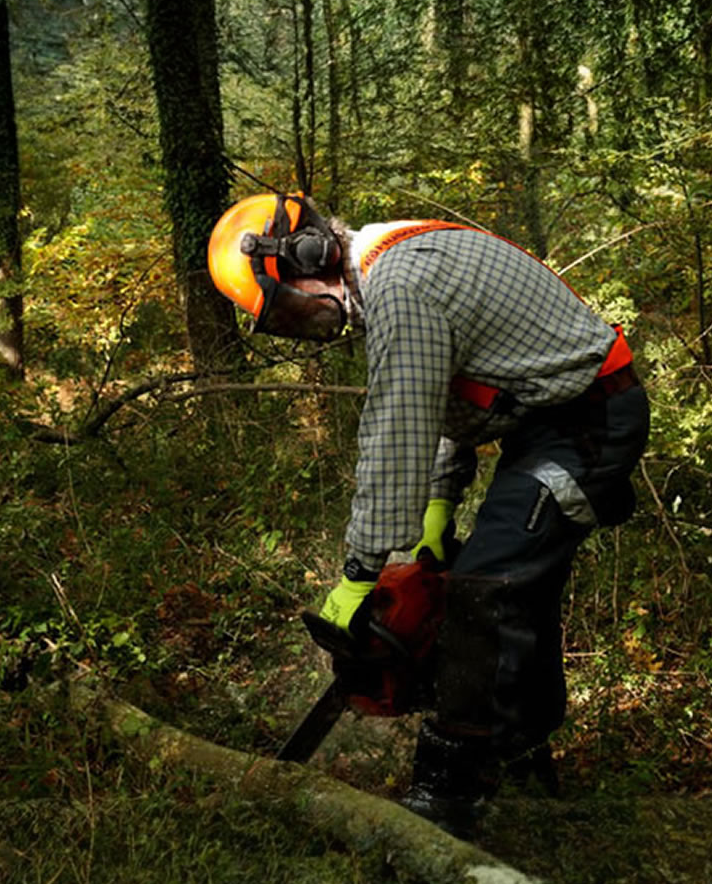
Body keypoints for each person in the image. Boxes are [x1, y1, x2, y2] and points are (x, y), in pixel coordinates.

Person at [208, 192, 650, 836]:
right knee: (509, 581)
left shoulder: (400, 287)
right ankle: (522, 749)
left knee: (486, 588)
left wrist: (361, 572)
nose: (300, 323)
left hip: (589, 424)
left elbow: (397, 429)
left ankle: (447, 796)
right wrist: (439, 506)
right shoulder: (392, 258)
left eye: (288, 304)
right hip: (552, 424)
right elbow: (444, 392)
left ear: (307, 254)